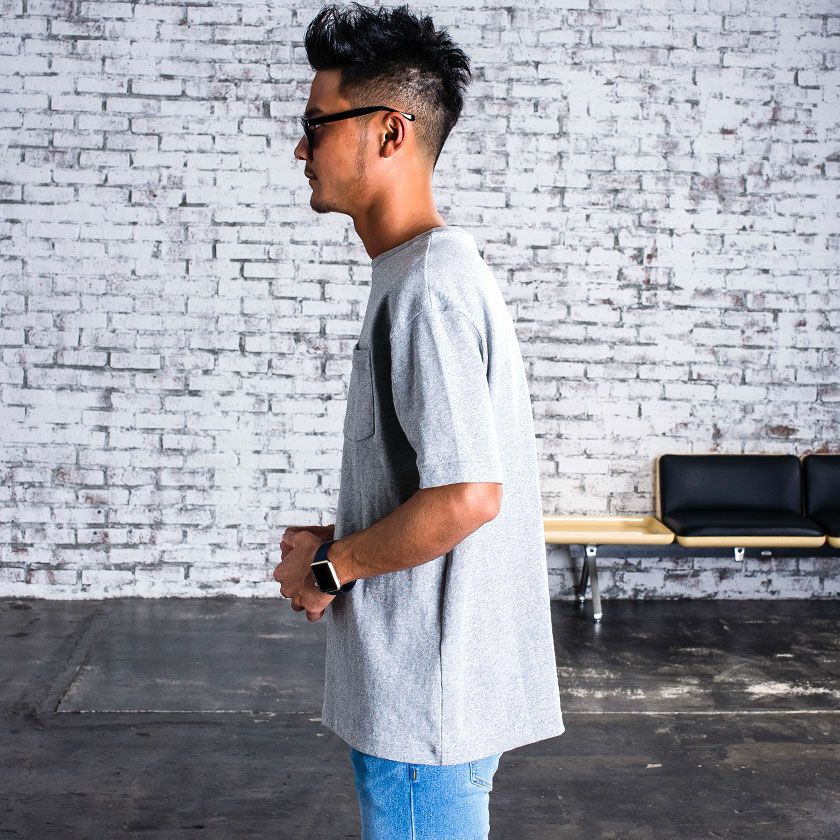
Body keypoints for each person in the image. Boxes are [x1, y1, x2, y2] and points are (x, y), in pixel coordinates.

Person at [275, 3, 565, 838]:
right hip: (432, 697)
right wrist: (344, 536)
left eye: (317, 124)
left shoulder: (428, 287)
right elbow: (436, 485)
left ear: (389, 132)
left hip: (422, 707)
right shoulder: (423, 274)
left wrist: (331, 566)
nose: (300, 148)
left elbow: (469, 496)